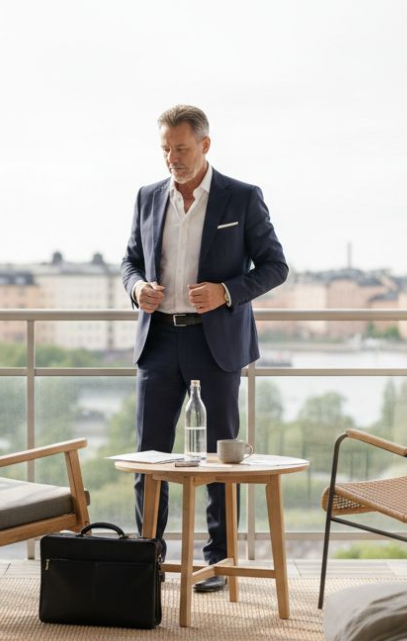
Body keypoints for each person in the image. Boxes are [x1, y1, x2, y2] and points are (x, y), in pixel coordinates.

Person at [121, 105, 288, 592]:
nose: (173, 157)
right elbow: (130, 261)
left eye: (182, 148)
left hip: (215, 342)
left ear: (205, 146)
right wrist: (137, 290)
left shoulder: (241, 197)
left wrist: (226, 291)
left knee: (219, 460)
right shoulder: (148, 197)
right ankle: (147, 562)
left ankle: (218, 561)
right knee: (149, 459)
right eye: (166, 149)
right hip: (158, 341)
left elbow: (275, 266)